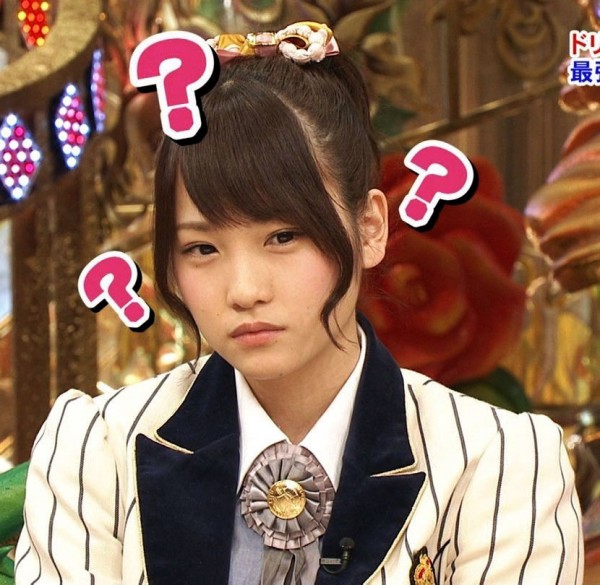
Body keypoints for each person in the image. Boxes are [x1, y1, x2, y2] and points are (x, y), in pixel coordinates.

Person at [14, 21, 582, 585]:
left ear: (370, 227)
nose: (244, 290)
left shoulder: (499, 462)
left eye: (284, 237)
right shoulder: (96, 447)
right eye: (202, 248)